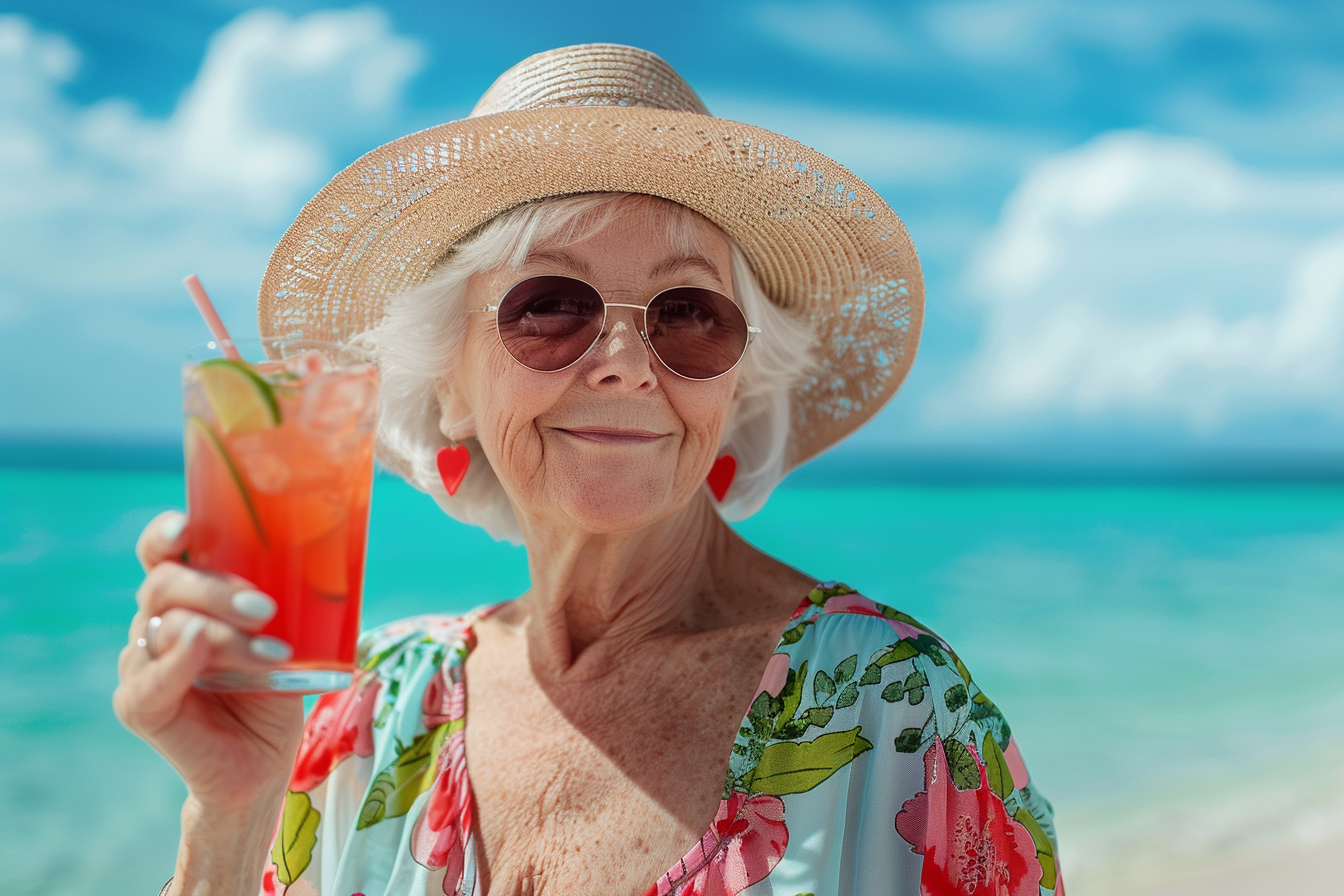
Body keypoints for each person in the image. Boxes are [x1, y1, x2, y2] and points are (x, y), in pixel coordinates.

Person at [116, 44, 1062, 896]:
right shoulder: (364, 707)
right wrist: (230, 814)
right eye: (551, 305)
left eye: (689, 312)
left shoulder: (902, 713)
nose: (624, 360)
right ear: (447, 380)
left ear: (736, 385)